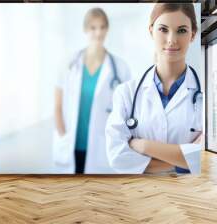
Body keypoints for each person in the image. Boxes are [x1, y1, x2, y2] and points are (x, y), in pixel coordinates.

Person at [105, 3, 203, 174]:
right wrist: (182, 162)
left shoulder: (206, 96)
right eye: (163, 29)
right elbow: (117, 157)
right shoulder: (126, 93)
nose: (172, 39)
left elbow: (206, 155)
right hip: (142, 194)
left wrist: (144, 145)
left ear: (193, 35)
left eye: (181, 30)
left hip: (191, 195)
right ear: (151, 31)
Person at [53, 7, 131, 174]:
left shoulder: (120, 68)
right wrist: (64, 136)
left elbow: (127, 110)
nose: (98, 33)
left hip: (102, 147)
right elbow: (57, 105)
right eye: (93, 28)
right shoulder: (69, 63)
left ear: (107, 29)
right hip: (72, 143)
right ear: (85, 30)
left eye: (102, 27)